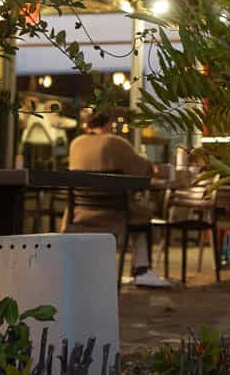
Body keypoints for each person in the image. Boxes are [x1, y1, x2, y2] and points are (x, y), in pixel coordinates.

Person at [65, 111, 171, 288]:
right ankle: (142, 270)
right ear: (108, 124)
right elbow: (142, 169)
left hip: (80, 212)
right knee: (143, 215)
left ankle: (87, 272)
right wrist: (156, 169)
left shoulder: (76, 143)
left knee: (136, 210)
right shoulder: (114, 142)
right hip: (113, 212)